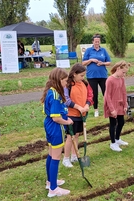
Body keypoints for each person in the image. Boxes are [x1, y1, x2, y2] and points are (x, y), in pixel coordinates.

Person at [40, 68, 73, 197]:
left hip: (50, 125)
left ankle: (50, 181)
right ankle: (53, 189)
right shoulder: (54, 95)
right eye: (65, 81)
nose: (66, 84)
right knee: (56, 156)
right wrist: (67, 122)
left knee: (51, 153)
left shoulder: (51, 91)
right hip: (55, 127)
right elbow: (56, 117)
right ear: (59, 80)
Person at [62, 63, 94, 167]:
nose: (83, 77)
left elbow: (90, 95)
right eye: (81, 75)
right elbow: (66, 99)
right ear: (74, 74)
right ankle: (66, 158)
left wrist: (87, 104)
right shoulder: (68, 85)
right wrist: (78, 107)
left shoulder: (85, 83)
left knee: (76, 135)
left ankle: (74, 155)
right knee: (70, 136)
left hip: (81, 115)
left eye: (84, 75)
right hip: (71, 114)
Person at [82, 34, 111, 117]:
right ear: (93, 42)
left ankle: (108, 108)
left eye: (98, 41)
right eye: (95, 41)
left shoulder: (103, 50)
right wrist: (91, 60)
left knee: (105, 92)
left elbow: (109, 62)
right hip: (92, 76)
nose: (97, 43)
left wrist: (103, 63)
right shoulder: (88, 50)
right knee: (94, 94)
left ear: (100, 42)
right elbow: (83, 63)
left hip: (103, 75)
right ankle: (96, 110)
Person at [104, 61, 130, 152]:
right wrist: (112, 109)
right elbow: (107, 96)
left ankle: (117, 139)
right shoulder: (110, 80)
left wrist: (125, 104)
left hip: (120, 104)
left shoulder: (122, 79)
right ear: (118, 69)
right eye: (123, 72)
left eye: (125, 73)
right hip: (112, 105)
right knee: (113, 124)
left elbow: (124, 92)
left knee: (121, 122)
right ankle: (113, 143)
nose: (124, 74)